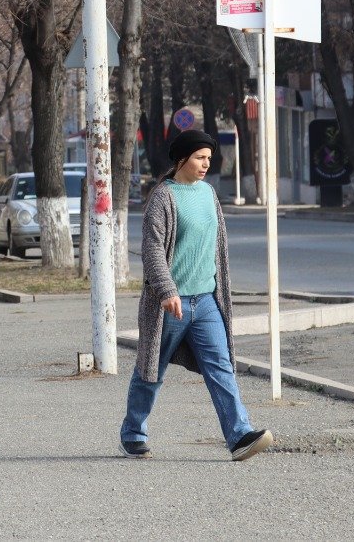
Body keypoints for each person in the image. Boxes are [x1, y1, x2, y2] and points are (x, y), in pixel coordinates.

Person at [120, 128, 272, 463]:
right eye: (200, 158)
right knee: (151, 370)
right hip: (169, 305)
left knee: (221, 367)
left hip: (206, 301)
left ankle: (239, 436)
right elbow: (152, 250)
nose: (206, 164)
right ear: (183, 159)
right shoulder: (163, 197)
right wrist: (166, 290)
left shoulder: (208, 194)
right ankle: (133, 432)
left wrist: (219, 290)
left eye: (208, 158)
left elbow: (216, 249)